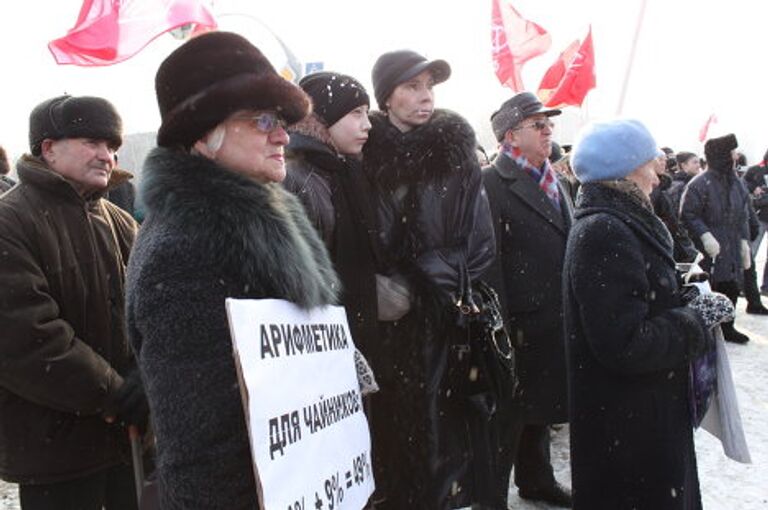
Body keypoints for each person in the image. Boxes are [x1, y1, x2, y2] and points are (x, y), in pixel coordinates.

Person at [126, 32, 339, 508]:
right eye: (263, 119)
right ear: (202, 135)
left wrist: (333, 371)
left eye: (283, 120)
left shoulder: (266, 217)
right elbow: (202, 445)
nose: (282, 134)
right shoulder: (182, 250)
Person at [564, 119, 733, 509]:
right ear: (622, 168)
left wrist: (680, 289)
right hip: (628, 427)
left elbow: (635, 294)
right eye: (648, 162)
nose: (658, 174)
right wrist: (696, 317)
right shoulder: (606, 231)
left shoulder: (621, 221)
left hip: (640, 418)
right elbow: (625, 344)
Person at [362, 49, 496, 509]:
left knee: (443, 448)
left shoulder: (455, 155)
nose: (425, 98)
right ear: (386, 98)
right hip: (377, 334)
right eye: (412, 87)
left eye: (429, 87)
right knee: (388, 448)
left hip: (443, 329)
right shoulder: (360, 154)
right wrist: (370, 287)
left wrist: (415, 287)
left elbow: (479, 248)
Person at [0, 95, 144, 509]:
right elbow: (24, 337)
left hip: (127, 443)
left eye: (112, 145)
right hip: (54, 450)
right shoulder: (10, 222)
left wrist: (145, 382)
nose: (107, 155)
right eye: (92, 142)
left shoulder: (120, 221)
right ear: (48, 148)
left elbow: (148, 315)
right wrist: (118, 395)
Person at [482, 91, 572, 508]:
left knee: (539, 409)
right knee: (507, 418)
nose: (548, 130)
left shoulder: (555, 180)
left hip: (552, 316)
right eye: (538, 124)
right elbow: (488, 260)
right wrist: (499, 324)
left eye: (548, 123)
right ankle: (491, 496)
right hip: (517, 322)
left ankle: (537, 480)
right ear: (511, 135)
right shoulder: (492, 182)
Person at [283, 71, 380, 362]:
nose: (368, 124)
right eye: (356, 113)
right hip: (322, 345)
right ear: (324, 116)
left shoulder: (345, 170)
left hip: (353, 335)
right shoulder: (297, 178)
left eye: (366, 112)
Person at [681, 134, 752, 343]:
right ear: (723, 155)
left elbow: (744, 214)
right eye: (732, 152)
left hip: (732, 243)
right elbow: (688, 214)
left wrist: (744, 243)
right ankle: (708, 330)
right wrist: (705, 234)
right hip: (710, 247)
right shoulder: (700, 184)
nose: (736, 156)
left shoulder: (736, 184)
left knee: (731, 286)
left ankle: (728, 327)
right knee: (711, 287)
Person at [744, 149, 768, 297]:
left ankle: (766, 287)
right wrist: (754, 188)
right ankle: (743, 284)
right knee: (750, 251)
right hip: (759, 215)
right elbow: (743, 184)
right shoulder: (755, 170)